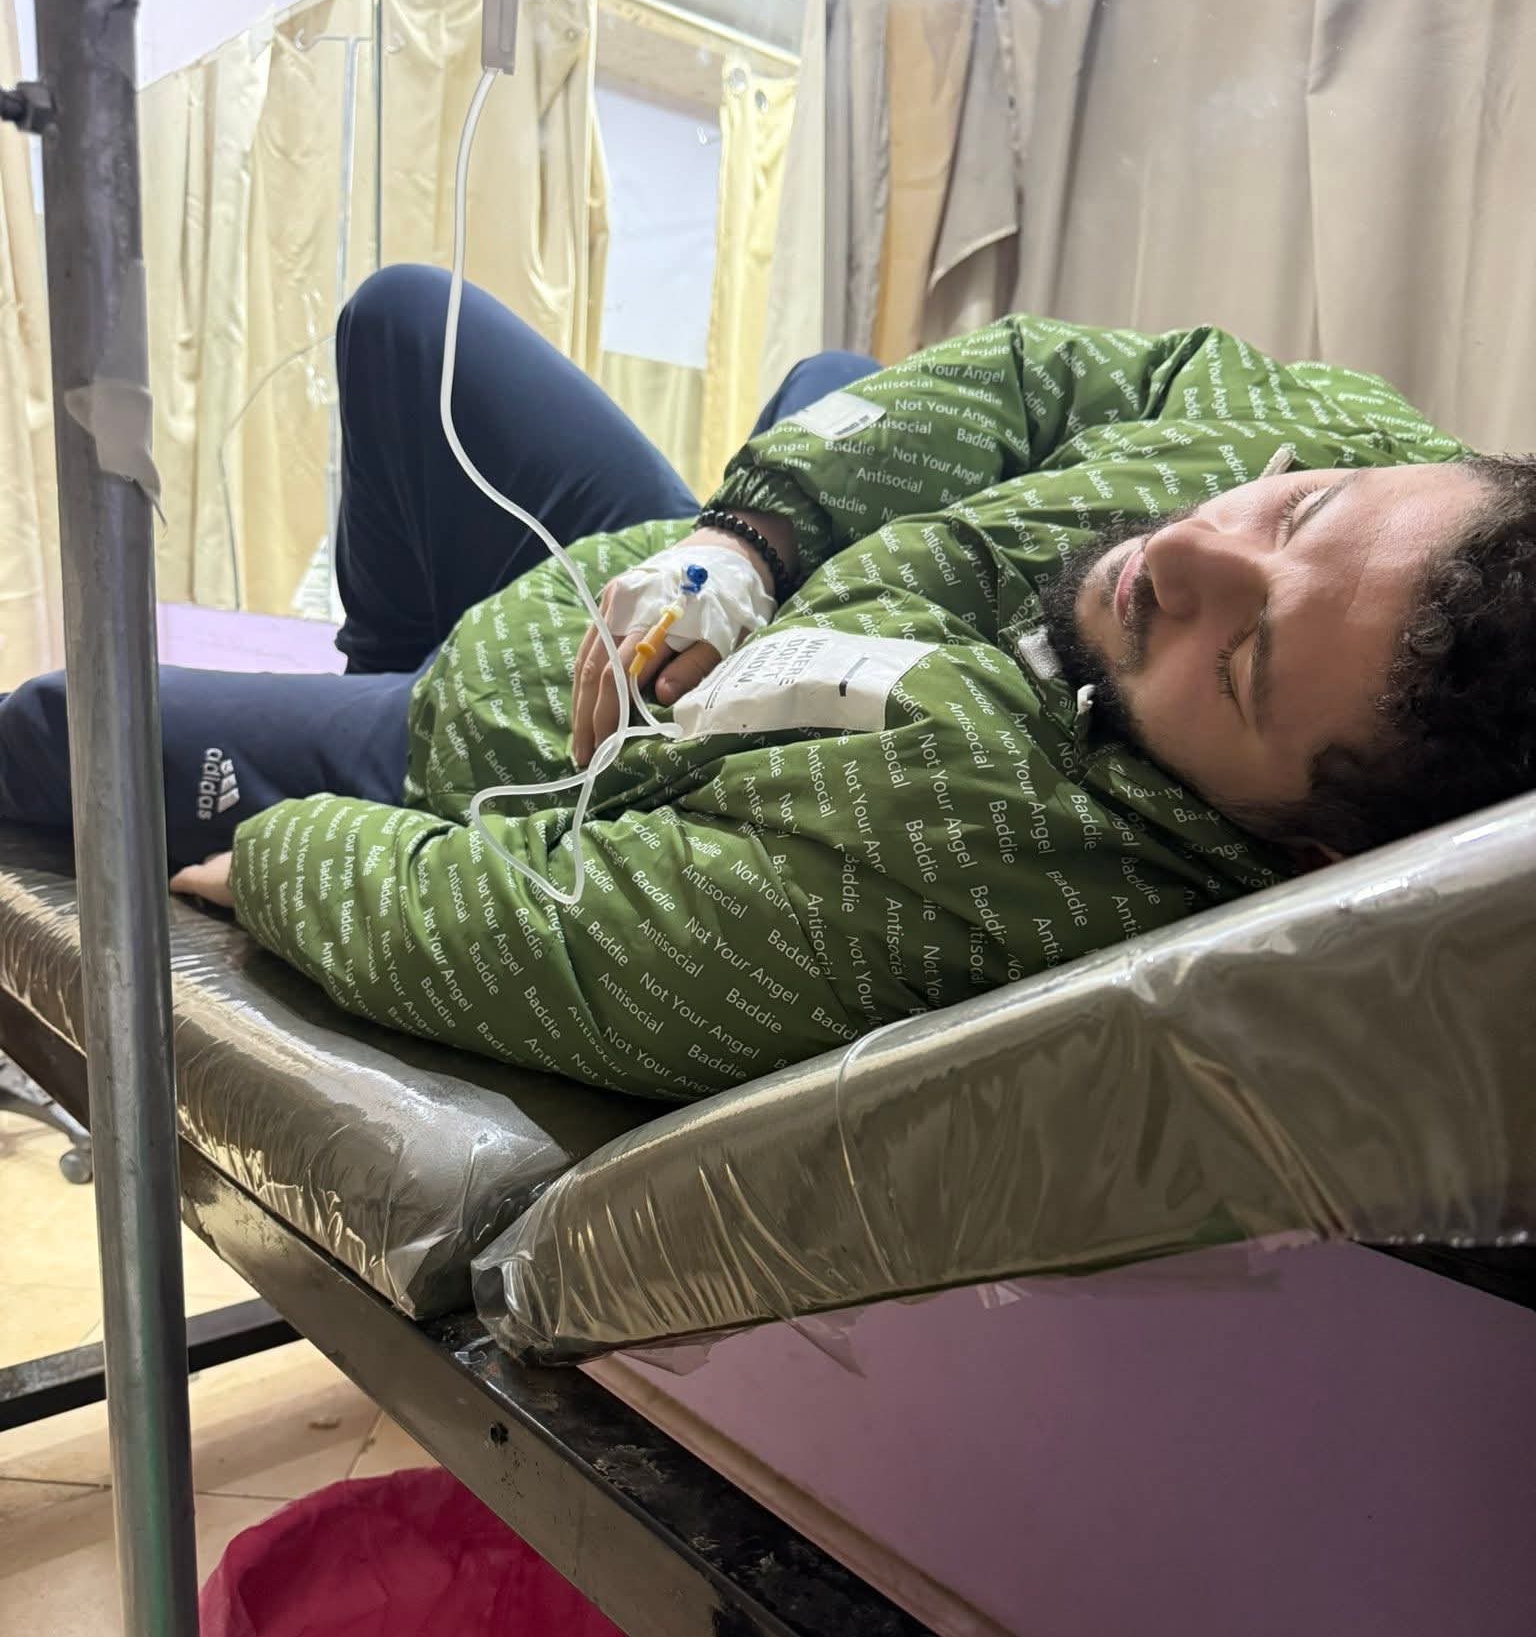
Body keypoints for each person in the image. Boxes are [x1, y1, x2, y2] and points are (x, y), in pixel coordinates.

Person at [3, 267, 1533, 1100]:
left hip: (502, 749)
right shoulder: (1374, 450)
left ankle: (377, 706)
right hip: (658, 584)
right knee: (409, 322)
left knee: (57, 734)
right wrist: (748, 534)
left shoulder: (987, 869)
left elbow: (567, 947)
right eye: (1295, 511)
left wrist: (291, 863)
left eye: (1240, 661)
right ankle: (386, 650)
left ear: (1306, 855)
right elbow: (1043, 375)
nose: (1187, 556)